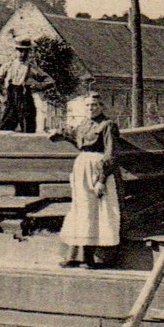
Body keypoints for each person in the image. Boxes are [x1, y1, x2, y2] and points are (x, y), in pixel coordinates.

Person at [50, 94, 121, 268]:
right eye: (88, 105)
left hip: (97, 168)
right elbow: (74, 136)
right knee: (79, 210)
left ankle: (92, 258)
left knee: (95, 211)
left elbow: (111, 153)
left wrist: (102, 179)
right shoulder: (84, 124)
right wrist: (57, 134)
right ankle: (74, 256)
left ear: (101, 107)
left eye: (95, 105)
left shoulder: (108, 125)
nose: (91, 108)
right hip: (81, 166)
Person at [0, 39, 54, 133]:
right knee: (5, 128)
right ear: (15, 51)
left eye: (25, 51)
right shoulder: (8, 66)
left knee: (28, 126)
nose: (22, 54)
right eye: (20, 50)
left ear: (28, 52)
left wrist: (36, 87)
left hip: (25, 100)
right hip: (10, 100)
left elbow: (50, 81)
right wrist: (2, 97)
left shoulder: (32, 68)